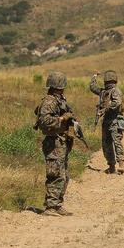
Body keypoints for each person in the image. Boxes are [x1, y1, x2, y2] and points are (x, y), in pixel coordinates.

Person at [33, 71, 77, 216]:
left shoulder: (59, 100)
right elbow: (44, 121)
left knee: (63, 176)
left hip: (61, 141)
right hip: (53, 143)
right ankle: (50, 207)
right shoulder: (49, 102)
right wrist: (63, 119)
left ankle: (57, 204)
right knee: (55, 174)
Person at [90, 70, 124, 174]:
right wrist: (94, 76)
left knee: (116, 142)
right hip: (106, 120)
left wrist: (105, 109)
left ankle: (121, 164)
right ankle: (111, 166)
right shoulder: (104, 92)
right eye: (107, 82)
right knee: (106, 144)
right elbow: (93, 88)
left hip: (115, 119)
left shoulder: (116, 90)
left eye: (109, 82)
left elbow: (117, 102)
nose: (108, 84)